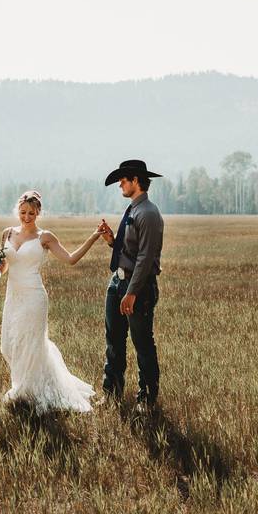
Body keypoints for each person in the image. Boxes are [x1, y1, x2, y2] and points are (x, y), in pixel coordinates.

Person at [0, 190, 102, 413]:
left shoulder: (45, 237)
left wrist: (93, 236)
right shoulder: (7, 233)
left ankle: (30, 392)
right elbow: (4, 266)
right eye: (23, 212)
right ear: (18, 210)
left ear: (38, 213)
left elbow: (71, 259)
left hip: (35, 297)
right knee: (8, 345)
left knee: (32, 346)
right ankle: (25, 386)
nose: (27, 217)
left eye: (32, 213)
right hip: (13, 296)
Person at [97, 160, 164, 412]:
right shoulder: (133, 210)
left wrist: (132, 292)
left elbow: (146, 258)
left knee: (142, 343)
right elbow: (130, 251)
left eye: (123, 180)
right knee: (113, 340)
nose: (120, 185)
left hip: (138, 288)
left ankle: (146, 399)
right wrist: (111, 240)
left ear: (136, 180)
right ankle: (111, 393)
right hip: (117, 282)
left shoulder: (148, 213)